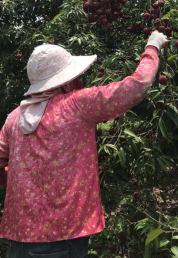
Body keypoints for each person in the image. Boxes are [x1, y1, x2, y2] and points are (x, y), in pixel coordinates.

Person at [0, 31, 168, 258]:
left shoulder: (13, 118)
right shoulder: (76, 106)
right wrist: (152, 47)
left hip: (18, 240)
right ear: (66, 80)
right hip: (63, 237)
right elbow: (137, 85)